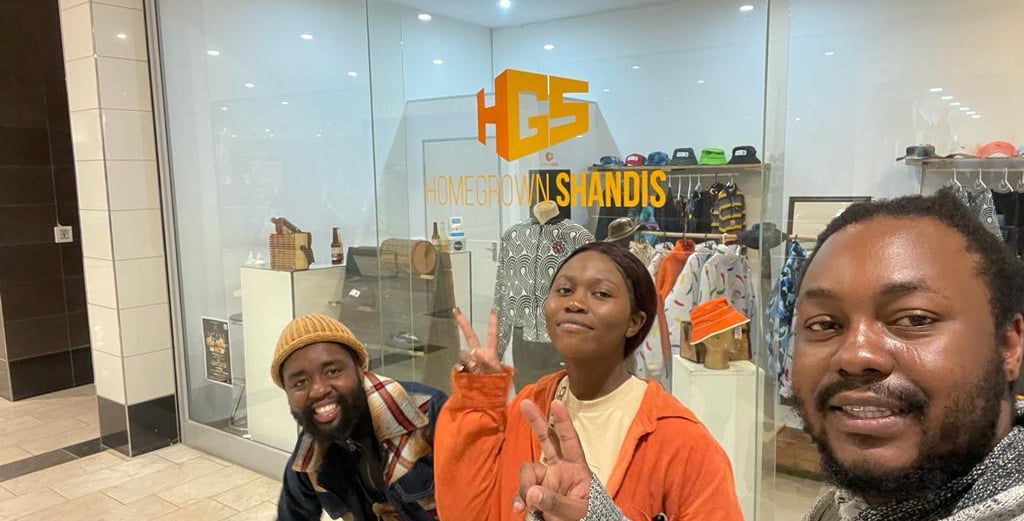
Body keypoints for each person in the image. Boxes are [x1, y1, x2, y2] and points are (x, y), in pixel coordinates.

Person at [434, 241, 743, 520]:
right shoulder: (529, 407)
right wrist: (478, 397)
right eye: (564, 290)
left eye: (601, 294)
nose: (575, 303)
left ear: (635, 322)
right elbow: (467, 510)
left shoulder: (681, 442)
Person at [791, 191, 1024, 521]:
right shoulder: (835, 509)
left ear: (1009, 345)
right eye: (824, 324)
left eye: (914, 319)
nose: (855, 356)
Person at [272, 314, 446, 521]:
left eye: (332, 371)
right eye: (300, 383)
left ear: (359, 369)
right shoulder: (311, 453)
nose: (318, 390)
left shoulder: (425, 413)